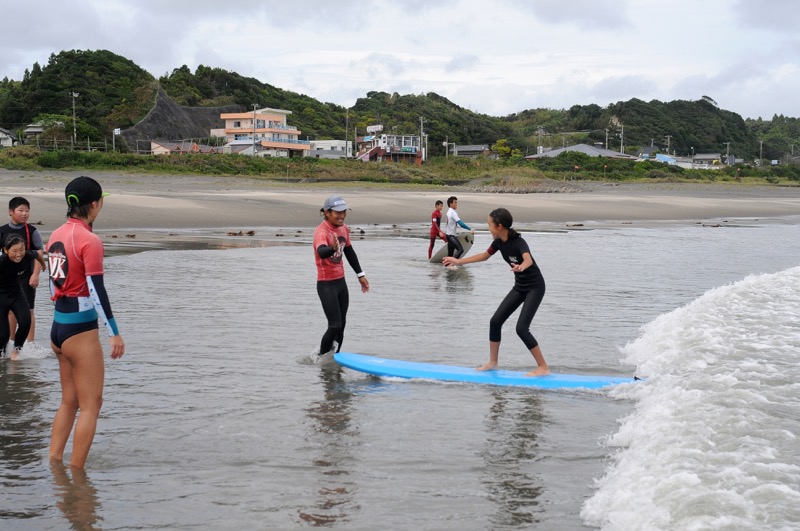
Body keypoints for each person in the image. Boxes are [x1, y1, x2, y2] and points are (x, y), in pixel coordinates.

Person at [47, 176, 125, 469]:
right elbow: (95, 289)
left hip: (58, 328)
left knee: (69, 401)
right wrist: (113, 332)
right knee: (91, 405)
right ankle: (77, 477)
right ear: (94, 204)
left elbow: (54, 284)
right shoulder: (90, 240)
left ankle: (55, 466)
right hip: (80, 331)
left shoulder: (56, 234)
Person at [443, 208, 550, 376]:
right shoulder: (499, 243)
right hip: (520, 287)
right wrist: (458, 261)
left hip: (535, 287)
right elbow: (484, 256)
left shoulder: (518, 242)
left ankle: (543, 367)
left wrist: (521, 266)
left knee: (522, 328)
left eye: (490, 225)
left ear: (499, 226)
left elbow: (528, 259)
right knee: (495, 322)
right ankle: (493, 362)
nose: (489, 229)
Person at [313, 195, 369, 363]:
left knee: (342, 326)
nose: (342, 215)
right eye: (338, 212)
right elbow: (321, 252)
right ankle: (321, 360)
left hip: (341, 283)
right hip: (326, 284)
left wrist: (360, 275)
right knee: (334, 325)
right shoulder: (322, 231)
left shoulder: (344, 228)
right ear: (327, 212)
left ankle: (335, 359)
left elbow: (349, 251)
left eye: (344, 212)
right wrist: (332, 248)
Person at [0, 197, 44, 342]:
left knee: (29, 310)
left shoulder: (32, 231)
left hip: (27, 275)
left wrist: (35, 274)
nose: (24, 214)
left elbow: (38, 253)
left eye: (27, 211)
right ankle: (11, 341)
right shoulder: (2, 231)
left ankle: (30, 343)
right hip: (7, 279)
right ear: (11, 212)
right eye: (21, 210)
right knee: (10, 310)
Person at [0, 234, 46, 360]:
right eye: (14, 251)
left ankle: (17, 349)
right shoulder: (2, 262)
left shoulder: (27, 256)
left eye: (21, 250)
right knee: (3, 335)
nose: (18, 254)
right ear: (5, 250)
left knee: (26, 322)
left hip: (16, 294)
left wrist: (43, 265)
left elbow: (37, 254)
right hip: (1, 297)